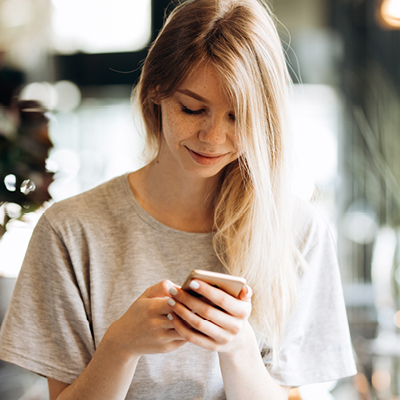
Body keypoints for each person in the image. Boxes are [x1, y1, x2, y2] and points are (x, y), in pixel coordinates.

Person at [0, 0, 357, 399]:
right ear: (155, 90)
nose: (213, 137)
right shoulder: (70, 231)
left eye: (238, 117)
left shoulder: (298, 230)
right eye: (192, 108)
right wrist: (120, 347)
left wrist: (238, 348)